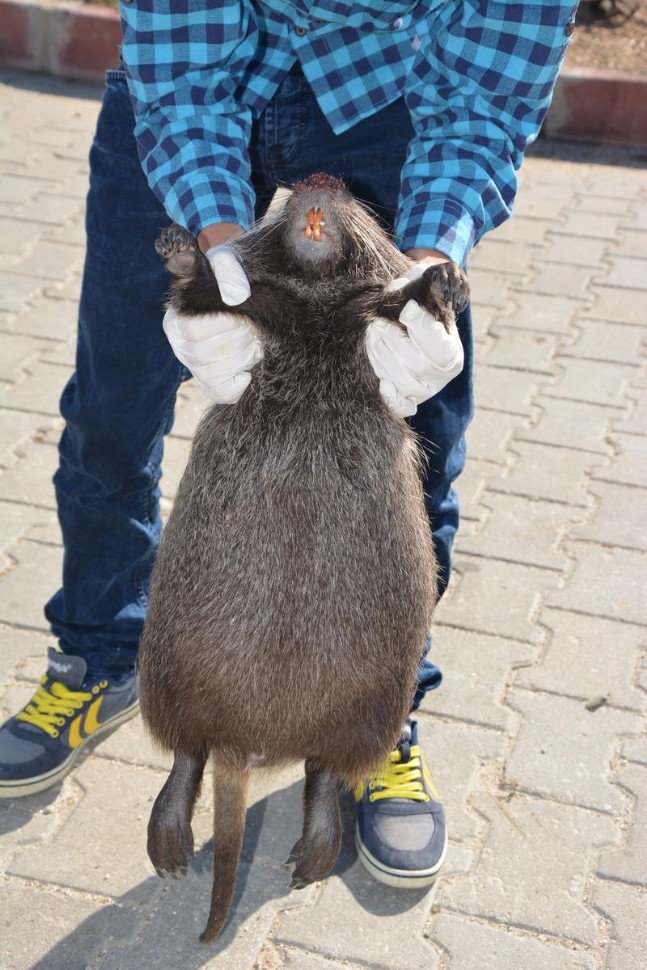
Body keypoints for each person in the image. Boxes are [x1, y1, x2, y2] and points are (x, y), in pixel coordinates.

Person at [0, 1, 576, 889]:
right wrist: (218, 258)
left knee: (415, 432)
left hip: (399, 91)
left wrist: (425, 266)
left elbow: (483, 100)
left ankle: (373, 722)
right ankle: (101, 655)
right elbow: (186, 76)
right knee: (112, 415)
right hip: (185, 84)